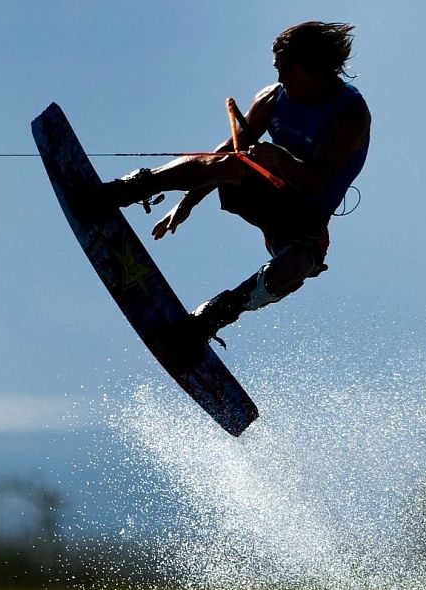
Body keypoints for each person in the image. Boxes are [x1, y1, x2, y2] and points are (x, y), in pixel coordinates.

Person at [104, 21, 371, 369]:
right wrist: (186, 203)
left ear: (314, 67)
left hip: (305, 216)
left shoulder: (350, 114)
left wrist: (280, 157)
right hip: (263, 196)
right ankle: (129, 188)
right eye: (277, 69)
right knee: (231, 162)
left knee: (296, 268)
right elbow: (222, 155)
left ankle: (209, 318)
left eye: (287, 69)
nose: (281, 78)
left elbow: (316, 179)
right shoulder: (272, 98)